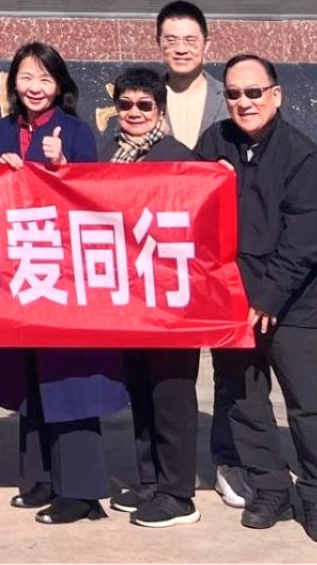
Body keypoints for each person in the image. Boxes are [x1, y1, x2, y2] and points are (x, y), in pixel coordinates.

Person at [195, 54, 317, 545]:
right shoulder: (213, 143)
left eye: (254, 92)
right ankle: (269, 488)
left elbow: (304, 240)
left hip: (290, 306)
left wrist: (266, 299)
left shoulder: (302, 156)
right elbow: (187, 205)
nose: (244, 102)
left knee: (306, 404)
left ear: (276, 95)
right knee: (244, 399)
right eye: (233, 94)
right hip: (231, 304)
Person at [0, 42, 124, 527]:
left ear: (60, 85)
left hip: (65, 277)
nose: (35, 87)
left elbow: (95, 199)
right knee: (30, 382)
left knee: (71, 382)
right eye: (26, 77)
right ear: (13, 82)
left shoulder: (77, 131)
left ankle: (81, 492)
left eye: (45, 78)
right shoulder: (0, 130)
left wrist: (64, 168)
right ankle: (41, 478)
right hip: (19, 275)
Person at [97, 67, 204, 530]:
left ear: (159, 109)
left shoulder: (180, 157)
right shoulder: (107, 154)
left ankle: (178, 493)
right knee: (139, 391)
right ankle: (150, 481)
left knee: (171, 394)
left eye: (145, 105)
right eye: (125, 104)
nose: (134, 113)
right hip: (126, 297)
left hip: (170, 300)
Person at [154, 0, 244, 508]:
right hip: (161, 256)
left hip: (219, 251)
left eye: (190, 40)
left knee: (231, 365)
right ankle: (169, 474)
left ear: (207, 44)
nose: (181, 48)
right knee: (170, 373)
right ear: (159, 44)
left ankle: (228, 461)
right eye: (171, 40)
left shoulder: (229, 100)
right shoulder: (143, 99)